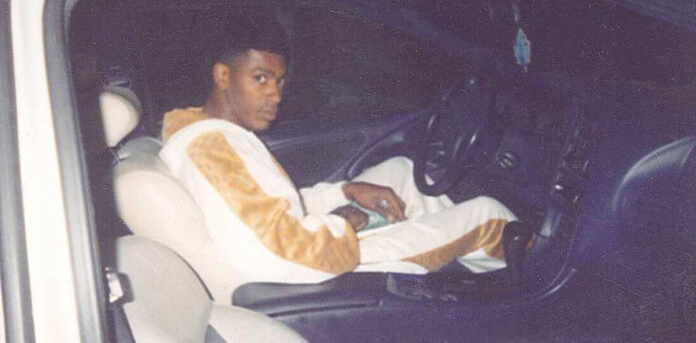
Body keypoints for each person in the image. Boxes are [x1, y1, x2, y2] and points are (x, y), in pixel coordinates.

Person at [158, 17, 517, 290]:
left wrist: (344, 192)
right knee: (488, 217)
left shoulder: (207, 134)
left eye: (279, 81)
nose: (276, 95)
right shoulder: (214, 149)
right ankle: (519, 297)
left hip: (303, 243)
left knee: (403, 171)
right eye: (260, 78)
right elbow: (275, 252)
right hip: (314, 268)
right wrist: (343, 222)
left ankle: (451, 267)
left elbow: (266, 204)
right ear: (223, 76)